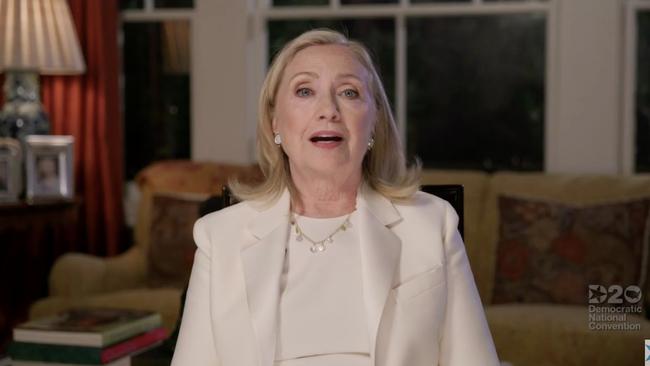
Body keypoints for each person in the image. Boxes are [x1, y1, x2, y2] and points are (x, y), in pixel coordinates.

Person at [171, 29, 499, 366]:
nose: (328, 109)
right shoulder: (218, 237)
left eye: (348, 92)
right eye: (305, 90)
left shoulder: (433, 223)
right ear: (274, 123)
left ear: (374, 123)